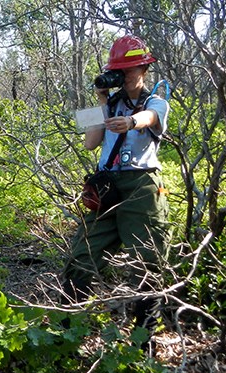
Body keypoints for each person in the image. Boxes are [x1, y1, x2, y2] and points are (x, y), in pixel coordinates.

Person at [62, 35, 171, 344]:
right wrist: (101, 101)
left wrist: (131, 121)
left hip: (142, 185)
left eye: (129, 70)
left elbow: (152, 117)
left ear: (143, 68)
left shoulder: (156, 99)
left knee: (146, 262)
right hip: (107, 185)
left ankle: (144, 340)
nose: (124, 77)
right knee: (81, 256)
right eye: (118, 71)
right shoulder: (107, 104)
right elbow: (90, 142)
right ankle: (69, 334)